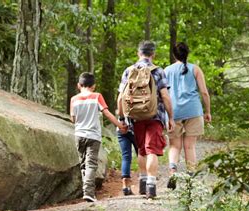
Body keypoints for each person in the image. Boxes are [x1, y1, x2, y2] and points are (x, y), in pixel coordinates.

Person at [118, 41, 175, 199]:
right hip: (154, 116)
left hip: (135, 117)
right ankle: (151, 185)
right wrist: (171, 117)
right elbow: (165, 96)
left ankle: (142, 182)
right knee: (152, 151)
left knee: (142, 149)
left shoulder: (128, 71)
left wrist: (122, 118)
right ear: (153, 54)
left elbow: (121, 97)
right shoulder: (158, 71)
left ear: (139, 53)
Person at [70, 72, 127, 202]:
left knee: (83, 163)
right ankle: (89, 192)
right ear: (94, 86)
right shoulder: (97, 96)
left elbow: (73, 119)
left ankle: (86, 190)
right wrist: (120, 125)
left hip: (79, 135)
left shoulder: (74, 99)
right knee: (91, 164)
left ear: (79, 85)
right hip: (93, 135)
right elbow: (107, 113)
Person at [164, 42, 211, 190]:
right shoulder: (195, 69)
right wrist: (207, 111)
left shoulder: (166, 70)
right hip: (193, 110)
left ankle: (172, 173)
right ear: (187, 54)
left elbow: (163, 94)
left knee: (174, 146)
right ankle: (191, 177)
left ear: (174, 55)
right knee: (189, 146)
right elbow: (204, 92)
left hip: (174, 111)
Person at [116, 115, 138, 196]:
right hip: (136, 126)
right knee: (141, 154)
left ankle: (125, 186)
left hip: (121, 126)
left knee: (126, 156)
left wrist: (121, 120)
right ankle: (145, 182)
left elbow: (119, 102)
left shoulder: (121, 101)